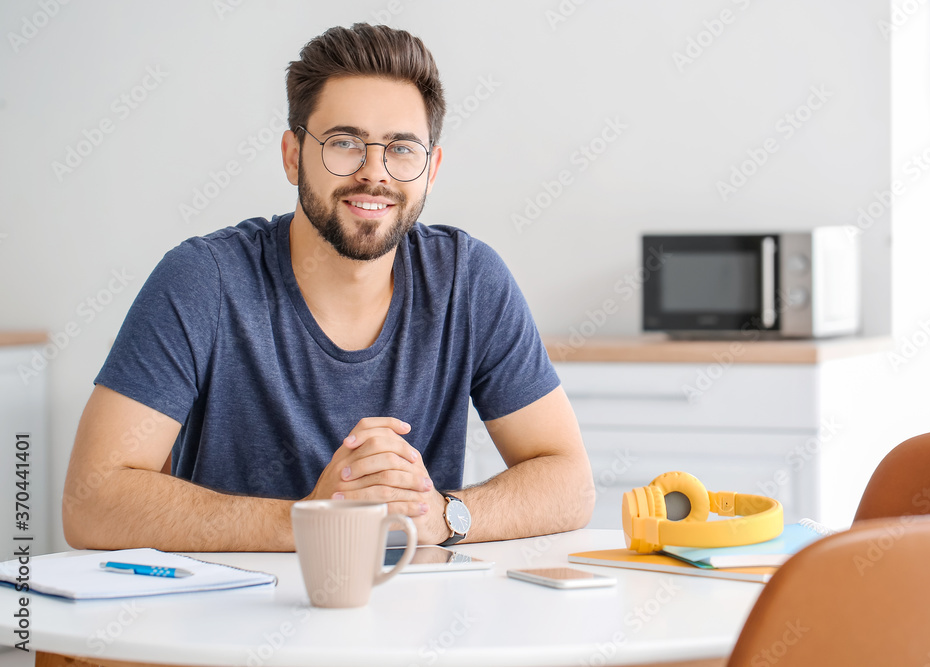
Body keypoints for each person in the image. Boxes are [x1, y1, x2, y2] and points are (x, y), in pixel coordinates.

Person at [62, 23, 594, 552]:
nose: (374, 173)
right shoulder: (203, 281)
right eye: (345, 143)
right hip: (230, 622)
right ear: (293, 155)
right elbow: (91, 503)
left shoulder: (468, 281)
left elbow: (571, 484)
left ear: (431, 169)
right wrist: (311, 521)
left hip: (416, 620)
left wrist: (442, 516)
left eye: (402, 149)